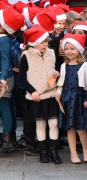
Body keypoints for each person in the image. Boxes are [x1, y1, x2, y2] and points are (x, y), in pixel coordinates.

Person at [0, 0, 27, 154]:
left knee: (4, 109)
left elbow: (4, 61)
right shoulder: (3, 35)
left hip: (1, 78)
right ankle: (10, 138)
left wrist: (2, 78)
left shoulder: (1, 41)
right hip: (5, 76)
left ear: (2, 24)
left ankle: (7, 141)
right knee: (8, 107)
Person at [19, 25, 61, 164]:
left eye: (46, 41)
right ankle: (43, 152)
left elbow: (55, 69)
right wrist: (32, 91)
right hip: (37, 96)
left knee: (54, 123)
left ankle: (53, 151)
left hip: (51, 94)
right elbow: (22, 78)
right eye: (42, 42)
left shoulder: (51, 53)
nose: (45, 44)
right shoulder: (26, 55)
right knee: (41, 123)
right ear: (34, 42)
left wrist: (56, 74)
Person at [56, 33, 87, 164]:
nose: (69, 51)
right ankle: (73, 154)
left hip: (80, 98)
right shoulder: (64, 66)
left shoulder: (84, 66)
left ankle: (85, 151)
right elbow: (61, 83)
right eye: (67, 48)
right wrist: (58, 92)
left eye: (72, 49)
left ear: (79, 50)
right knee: (70, 128)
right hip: (67, 99)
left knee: (81, 127)